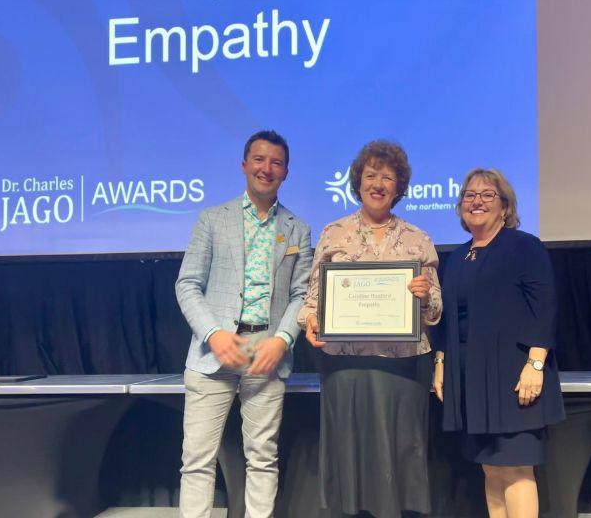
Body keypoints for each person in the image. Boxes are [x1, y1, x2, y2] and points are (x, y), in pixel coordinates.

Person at [298, 140, 442, 518]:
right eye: (371, 175)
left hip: (403, 367)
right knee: (350, 456)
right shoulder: (333, 233)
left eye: (388, 177)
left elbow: (436, 311)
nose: (378, 183)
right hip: (346, 365)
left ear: (399, 186)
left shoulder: (418, 239)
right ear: (358, 181)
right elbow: (313, 297)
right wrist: (310, 321)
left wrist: (425, 297)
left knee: (400, 455)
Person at [175, 130, 313, 518]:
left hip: (266, 356)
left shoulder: (298, 228)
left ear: (286, 172)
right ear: (244, 165)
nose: (266, 168)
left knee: (263, 459)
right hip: (212, 355)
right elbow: (187, 284)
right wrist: (214, 333)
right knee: (198, 461)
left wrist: (283, 339)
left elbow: (302, 294)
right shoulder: (212, 220)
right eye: (259, 159)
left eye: (276, 162)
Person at [432, 168, 565, 518]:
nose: (477, 202)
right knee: (490, 467)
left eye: (487, 195)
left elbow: (544, 307)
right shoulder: (458, 257)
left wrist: (536, 364)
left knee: (517, 468)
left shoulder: (524, 246)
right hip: (470, 378)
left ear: (504, 206)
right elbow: (449, 318)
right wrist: (441, 364)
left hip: (514, 376)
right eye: (469, 196)